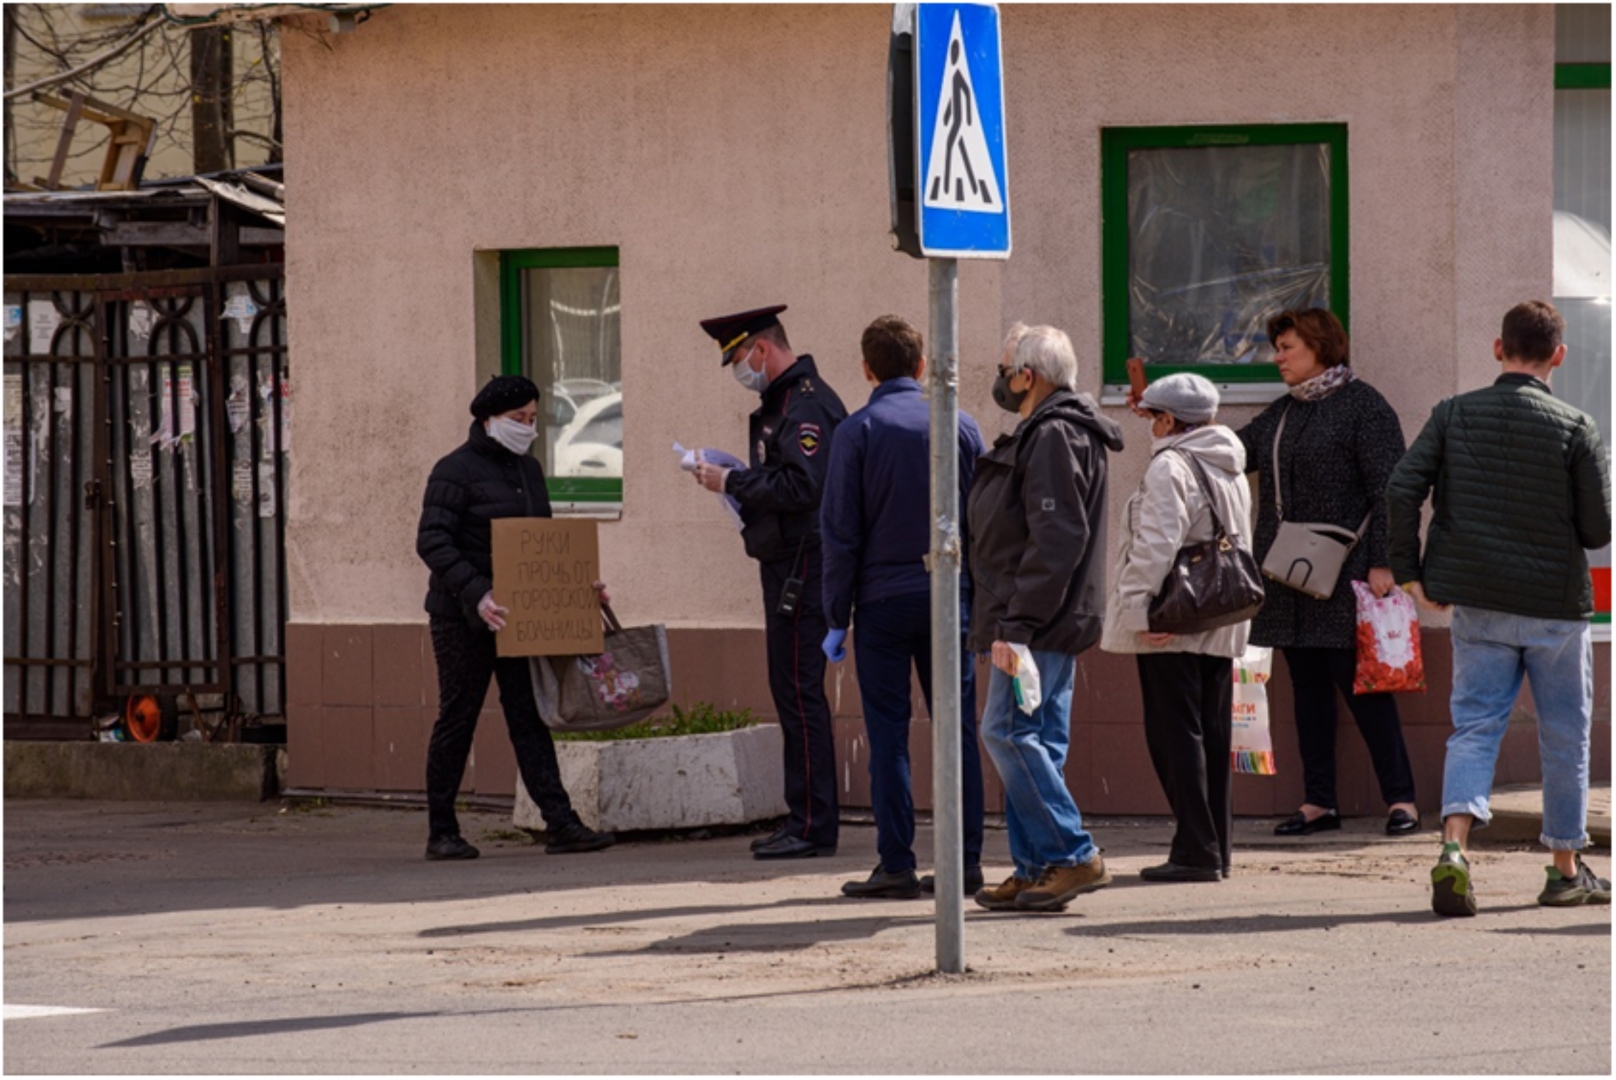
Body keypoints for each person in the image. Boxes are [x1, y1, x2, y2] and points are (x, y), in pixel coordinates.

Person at [1385, 300, 1612, 917]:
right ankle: (1565, 869)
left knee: (1476, 725)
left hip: (1478, 602)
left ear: (1497, 348)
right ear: (1558, 356)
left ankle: (1455, 849)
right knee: (1565, 733)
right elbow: (1598, 530)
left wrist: (1411, 574)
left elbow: (1402, 488)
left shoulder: (1453, 414)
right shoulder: (1575, 426)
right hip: (1554, 607)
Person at [818, 315, 987, 900]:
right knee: (957, 730)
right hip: (952, 596)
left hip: (884, 601)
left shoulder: (858, 431)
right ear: (921, 366)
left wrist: (836, 617)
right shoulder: (962, 426)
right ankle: (964, 862)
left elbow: (839, 532)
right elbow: (984, 523)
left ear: (867, 369)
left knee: (887, 735)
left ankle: (896, 863)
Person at [1235, 308, 1420, 838]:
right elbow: (1238, 450)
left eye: (1287, 347)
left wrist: (1386, 561)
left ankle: (1401, 799)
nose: (1278, 358)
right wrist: (1177, 425)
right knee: (1308, 694)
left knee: (1364, 691)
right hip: (1290, 582)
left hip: (1348, 577)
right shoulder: (1284, 413)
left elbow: (1393, 489)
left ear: (1319, 347)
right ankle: (1319, 802)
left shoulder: (1365, 406)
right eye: (1278, 348)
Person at [415, 375, 615, 861]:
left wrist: (578, 588)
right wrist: (478, 593)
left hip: (519, 618)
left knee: (529, 718)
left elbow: (537, 545)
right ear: (488, 420)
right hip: (463, 617)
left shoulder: (529, 470)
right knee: (458, 718)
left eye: (532, 419)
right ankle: (442, 831)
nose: (527, 428)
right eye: (518, 419)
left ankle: (561, 823)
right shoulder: (453, 470)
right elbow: (432, 541)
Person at [966, 323, 1124, 913]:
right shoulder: (1053, 431)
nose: (1002, 380)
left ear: (1027, 375)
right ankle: (1038, 868)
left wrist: (1016, 626)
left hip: (1036, 622)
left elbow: (1055, 538)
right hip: (1047, 618)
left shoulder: (1054, 434)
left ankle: (1073, 853)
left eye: (1006, 368)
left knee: (1005, 732)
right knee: (1037, 743)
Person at [693, 305, 848, 860]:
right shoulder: (779, 402)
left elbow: (804, 488)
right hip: (785, 564)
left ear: (762, 349)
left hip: (803, 566)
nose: (738, 368)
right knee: (789, 690)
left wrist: (732, 479)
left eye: (737, 356)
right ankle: (804, 815)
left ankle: (812, 825)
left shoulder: (805, 404)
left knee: (799, 694)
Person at [1103, 373, 1253, 883]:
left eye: (1151, 418)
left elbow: (1155, 544)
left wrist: (1139, 610)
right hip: (1218, 617)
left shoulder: (1171, 465)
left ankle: (1194, 849)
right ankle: (1215, 848)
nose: (1149, 427)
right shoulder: (1227, 461)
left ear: (1169, 420)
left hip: (1173, 620)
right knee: (1211, 734)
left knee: (1174, 736)